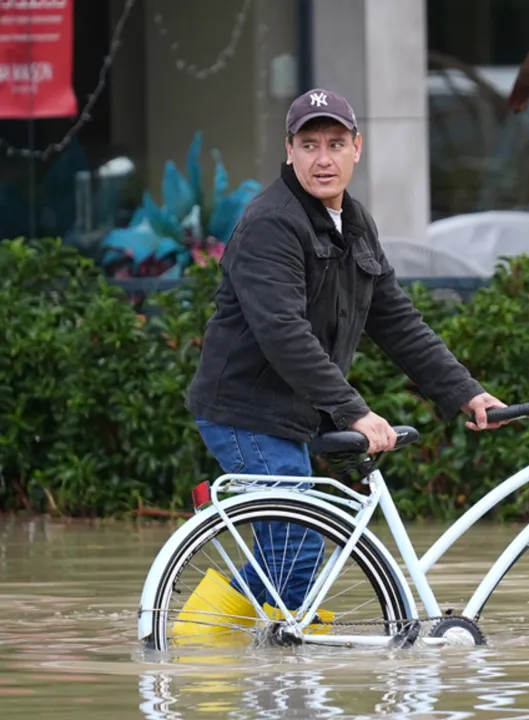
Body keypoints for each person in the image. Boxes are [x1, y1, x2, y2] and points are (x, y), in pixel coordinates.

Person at [173, 88, 506, 637]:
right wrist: (354, 411)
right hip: (244, 408)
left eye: (334, 143)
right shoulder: (270, 224)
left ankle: (242, 648)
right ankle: (214, 647)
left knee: (297, 551)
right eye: (309, 145)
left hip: (294, 409)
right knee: (299, 541)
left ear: (357, 148)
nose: (322, 158)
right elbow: (283, 332)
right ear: (289, 152)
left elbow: (396, 320)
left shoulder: (353, 222)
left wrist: (466, 393)